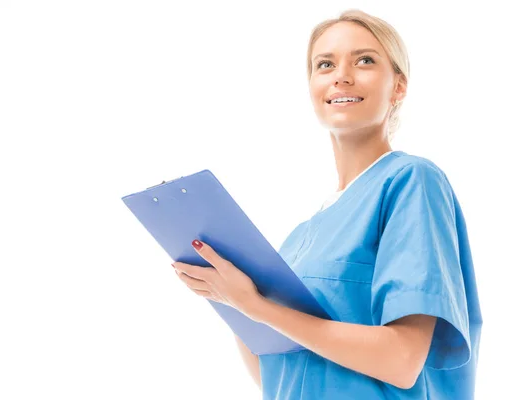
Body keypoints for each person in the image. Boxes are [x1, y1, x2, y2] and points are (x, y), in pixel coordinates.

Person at [172, 8, 483, 400]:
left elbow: (402, 360)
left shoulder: (410, 181)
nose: (342, 75)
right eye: (325, 64)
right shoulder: (302, 235)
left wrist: (257, 307)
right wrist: (229, 298)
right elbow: (276, 377)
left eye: (365, 60)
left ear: (398, 87)